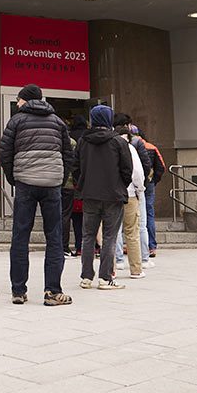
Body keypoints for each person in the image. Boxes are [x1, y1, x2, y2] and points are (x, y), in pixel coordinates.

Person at [0, 84, 73, 306]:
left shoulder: (16, 121)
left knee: (20, 236)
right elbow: (68, 154)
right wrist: (59, 178)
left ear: (25, 100)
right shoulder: (58, 121)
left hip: (25, 184)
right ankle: (52, 292)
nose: (18, 103)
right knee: (54, 237)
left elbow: (5, 153)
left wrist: (15, 179)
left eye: (20, 100)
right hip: (52, 185)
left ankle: (18, 291)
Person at [74, 105, 132, 291]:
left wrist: (82, 183)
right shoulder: (118, 142)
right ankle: (106, 278)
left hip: (89, 194)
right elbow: (127, 170)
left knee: (88, 236)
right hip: (113, 195)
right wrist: (120, 185)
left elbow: (75, 167)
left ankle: (86, 277)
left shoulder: (83, 141)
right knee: (110, 236)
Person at [113, 117, 147, 279]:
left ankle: (111, 269)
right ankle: (136, 269)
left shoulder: (108, 147)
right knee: (132, 232)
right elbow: (138, 174)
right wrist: (140, 190)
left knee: (110, 233)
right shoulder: (130, 149)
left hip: (111, 195)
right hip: (130, 194)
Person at [138, 127, 166, 256]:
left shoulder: (130, 146)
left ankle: (136, 245)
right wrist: (154, 181)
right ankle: (151, 245)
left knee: (133, 215)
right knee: (149, 212)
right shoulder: (151, 147)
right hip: (149, 183)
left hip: (133, 184)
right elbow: (161, 167)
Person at [62, 115, 87, 256]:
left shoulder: (54, 141)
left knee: (56, 216)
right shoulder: (71, 142)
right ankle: (64, 247)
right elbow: (76, 164)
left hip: (53, 183)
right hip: (69, 184)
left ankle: (57, 245)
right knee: (66, 215)